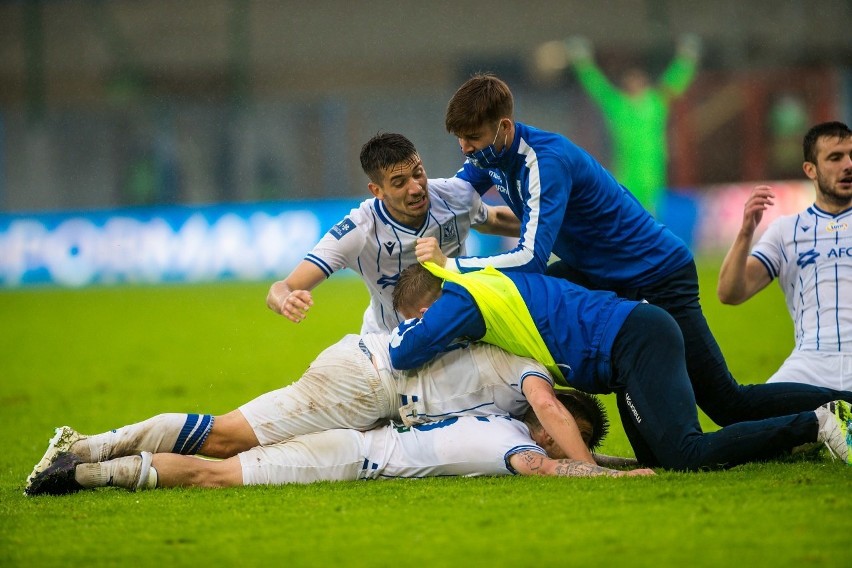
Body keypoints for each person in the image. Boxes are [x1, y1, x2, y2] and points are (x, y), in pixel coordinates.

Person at [418, 72, 847, 430]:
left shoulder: (544, 162)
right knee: (532, 298)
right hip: (603, 270)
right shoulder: (486, 154)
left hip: (657, 272)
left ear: (504, 127)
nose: (465, 149)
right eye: (461, 140)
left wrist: (452, 266)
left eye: (472, 138)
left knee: (726, 403)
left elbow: (531, 256)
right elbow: (453, 193)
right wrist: (393, 200)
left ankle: (842, 404)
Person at [388, 262, 852, 470]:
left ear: (427, 309)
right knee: (662, 459)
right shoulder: (485, 286)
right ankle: (806, 433)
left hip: (635, 341)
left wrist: (399, 335)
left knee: (685, 451)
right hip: (629, 346)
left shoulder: (460, 297)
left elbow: (405, 352)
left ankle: (817, 424)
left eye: (419, 320)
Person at [25, 333, 602, 494]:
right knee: (225, 442)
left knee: (223, 457)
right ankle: (87, 450)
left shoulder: (501, 408)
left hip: (364, 403)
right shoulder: (529, 385)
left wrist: (604, 459)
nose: (556, 440)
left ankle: (84, 466)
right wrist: (602, 472)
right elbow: (547, 439)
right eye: (564, 434)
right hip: (366, 392)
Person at [26, 397, 654, 496]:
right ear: (552, 427)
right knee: (214, 474)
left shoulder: (490, 411)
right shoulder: (512, 443)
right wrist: (617, 477)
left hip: (358, 430)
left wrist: (613, 460)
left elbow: (555, 453)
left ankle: (87, 450)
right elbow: (547, 466)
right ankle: (78, 477)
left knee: (218, 435)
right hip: (352, 457)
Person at [266, 132, 519, 333]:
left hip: (459, 333)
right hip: (388, 345)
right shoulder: (359, 230)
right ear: (377, 190)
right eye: (399, 183)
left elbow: (495, 219)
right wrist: (285, 300)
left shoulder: (455, 196)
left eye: (418, 173)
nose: (416, 188)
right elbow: (282, 287)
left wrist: (551, 225)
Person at [718, 121, 852, 390]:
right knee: (752, 423)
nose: (848, 164)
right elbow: (731, 292)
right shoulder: (785, 231)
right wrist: (746, 232)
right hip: (809, 364)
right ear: (810, 170)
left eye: (851, 156)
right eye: (835, 158)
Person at [563, 35, 700, 215]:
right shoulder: (620, 107)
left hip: (653, 172)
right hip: (627, 171)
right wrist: (582, 61)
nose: (635, 86)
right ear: (626, 86)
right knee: (625, 213)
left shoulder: (654, 104)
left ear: (645, 84)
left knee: (649, 216)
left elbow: (675, 82)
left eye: (638, 81)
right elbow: (597, 86)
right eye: (631, 82)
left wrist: (687, 58)